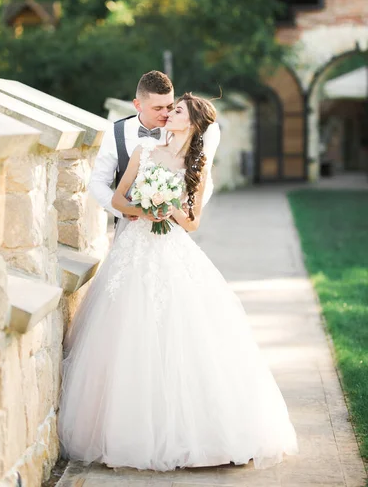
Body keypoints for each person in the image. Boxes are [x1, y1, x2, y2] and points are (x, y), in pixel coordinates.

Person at [57, 92, 298, 472]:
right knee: (126, 330)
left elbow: (193, 221)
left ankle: (200, 433)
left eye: (178, 110)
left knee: (185, 331)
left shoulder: (196, 166)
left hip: (172, 249)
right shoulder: (144, 151)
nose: (170, 114)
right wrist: (144, 210)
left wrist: (168, 209)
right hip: (135, 246)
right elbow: (119, 199)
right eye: (170, 109)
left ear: (191, 123)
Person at [88, 70, 220, 238]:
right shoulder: (117, 132)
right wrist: (127, 212)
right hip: (130, 228)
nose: (166, 114)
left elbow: (203, 182)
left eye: (170, 107)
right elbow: (98, 182)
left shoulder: (178, 130)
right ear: (138, 105)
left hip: (171, 230)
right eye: (158, 108)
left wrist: (182, 205)